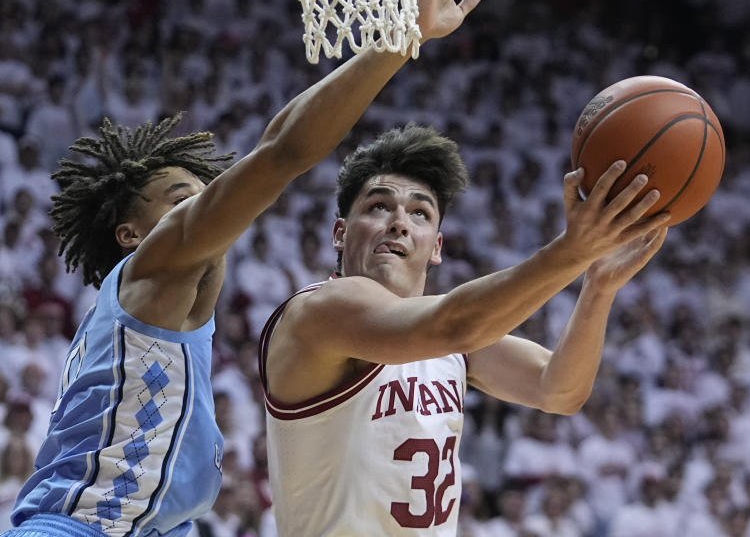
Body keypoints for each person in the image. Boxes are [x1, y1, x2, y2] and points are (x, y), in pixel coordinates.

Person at [2, 0, 492, 537]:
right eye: (183, 199)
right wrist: (399, 39)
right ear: (132, 234)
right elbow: (283, 150)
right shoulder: (156, 270)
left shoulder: (171, 322)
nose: (205, 207)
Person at [259, 124, 670, 535]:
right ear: (340, 233)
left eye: (420, 212)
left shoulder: (452, 341)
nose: (399, 222)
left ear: (436, 246)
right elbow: (455, 324)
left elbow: (559, 389)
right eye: (379, 206)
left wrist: (597, 288)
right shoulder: (318, 313)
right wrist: (574, 251)